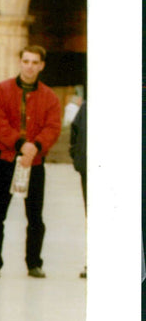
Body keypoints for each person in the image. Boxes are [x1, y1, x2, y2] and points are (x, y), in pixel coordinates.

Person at [0, 45, 62, 278]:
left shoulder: (50, 97)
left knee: (35, 217)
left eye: (34, 62)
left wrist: (35, 146)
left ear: (41, 65)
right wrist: (21, 145)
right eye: (26, 61)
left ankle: (34, 263)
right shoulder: (1, 90)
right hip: (6, 160)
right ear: (19, 62)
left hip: (35, 163)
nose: (29, 66)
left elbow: (53, 126)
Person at [70, 100, 87, 278]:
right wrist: (77, 158)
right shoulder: (86, 106)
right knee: (91, 216)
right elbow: (74, 132)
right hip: (88, 170)